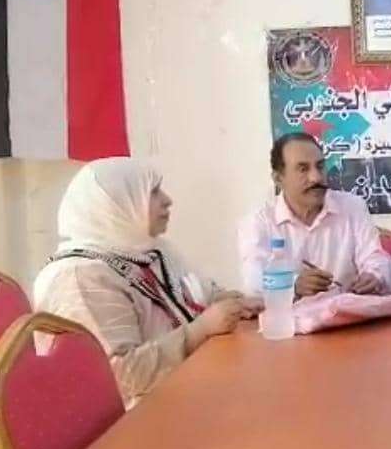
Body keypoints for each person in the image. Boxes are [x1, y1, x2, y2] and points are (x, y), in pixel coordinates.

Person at [33, 158, 259, 408]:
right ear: (117, 204)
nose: (167, 200)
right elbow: (121, 377)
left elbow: (195, 294)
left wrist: (231, 302)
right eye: (153, 192)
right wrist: (200, 330)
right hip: (132, 419)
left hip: (183, 385)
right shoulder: (81, 277)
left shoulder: (147, 250)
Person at [238, 132, 391, 298]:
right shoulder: (260, 220)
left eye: (320, 166)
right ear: (278, 179)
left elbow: (375, 258)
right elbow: (253, 279)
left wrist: (374, 276)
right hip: (290, 312)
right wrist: (293, 284)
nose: (316, 178)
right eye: (303, 169)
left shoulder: (352, 207)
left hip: (348, 309)